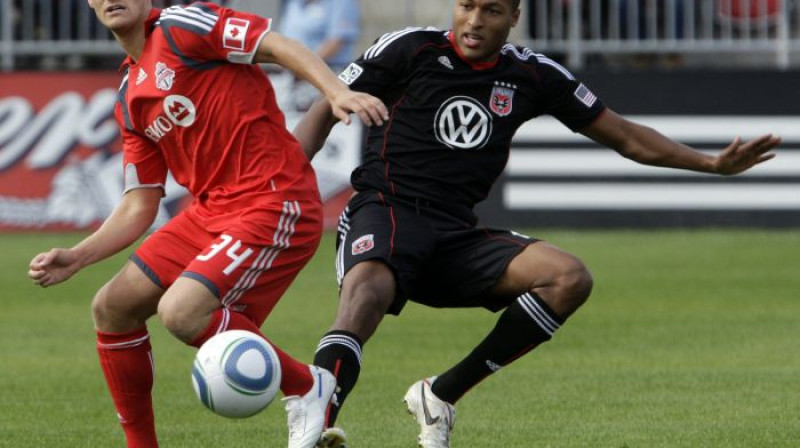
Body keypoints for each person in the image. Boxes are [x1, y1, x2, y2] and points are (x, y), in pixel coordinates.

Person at [292, 0, 780, 447]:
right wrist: (287, 186)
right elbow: (323, 110)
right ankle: (317, 420)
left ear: (514, 17)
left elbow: (627, 137)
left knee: (568, 277)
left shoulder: (532, 74)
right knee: (366, 294)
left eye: (492, 10)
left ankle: (439, 395)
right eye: (466, 6)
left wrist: (711, 164)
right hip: (388, 208)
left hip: (456, 232)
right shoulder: (410, 48)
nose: (475, 21)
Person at [27, 1, 387, 448]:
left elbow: (274, 44)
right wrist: (77, 257)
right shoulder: (128, 92)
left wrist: (335, 92)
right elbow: (140, 203)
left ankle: (305, 385)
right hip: (210, 212)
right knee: (111, 307)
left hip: (273, 198)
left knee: (181, 311)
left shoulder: (182, 26)